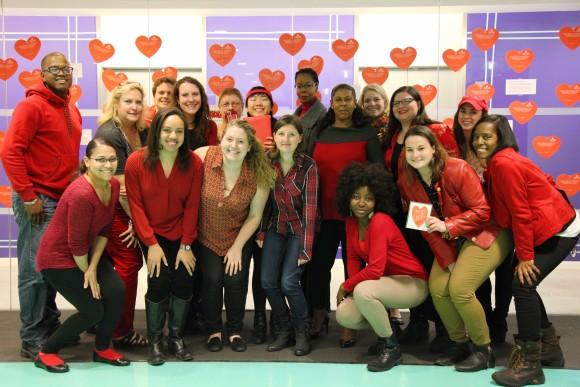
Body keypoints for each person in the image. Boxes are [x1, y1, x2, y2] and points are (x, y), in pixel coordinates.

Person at [471, 115, 580, 387]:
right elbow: (542, 180)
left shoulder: (503, 163)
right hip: (551, 222)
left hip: (558, 228)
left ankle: (531, 363)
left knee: (522, 283)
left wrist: (526, 256)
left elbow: (521, 213)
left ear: (502, 138)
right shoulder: (503, 159)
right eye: (477, 137)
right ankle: (550, 349)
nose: (480, 141)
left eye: (487, 136)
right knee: (523, 282)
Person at [398, 126, 513, 372]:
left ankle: (484, 349)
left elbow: (483, 212)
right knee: (438, 288)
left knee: (460, 289)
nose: (415, 154)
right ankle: (459, 343)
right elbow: (424, 227)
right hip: (452, 239)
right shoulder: (407, 181)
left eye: (421, 148)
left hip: (487, 233)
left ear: (433, 148)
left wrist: (448, 225)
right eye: (410, 150)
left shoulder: (458, 168)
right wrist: (447, 259)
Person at [1, 52, 82, 359]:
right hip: (38, 200)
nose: (62, 73)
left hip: (60, 200)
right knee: (34, 271)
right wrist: (28, 195)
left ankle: (49, 325)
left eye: (66, 68)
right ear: (42, 74)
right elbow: (10, 152)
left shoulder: (70, 109)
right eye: (55, 69)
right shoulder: (31, 106)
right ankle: (32, 337)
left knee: (51, 269)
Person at [34, 137, 129, 373]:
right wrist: (88, 272)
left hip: (85, 254)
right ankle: (46, 351)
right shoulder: (81, 194)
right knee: (93, 310)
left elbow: (105, 230)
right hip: (58, 258)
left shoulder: (113, 185)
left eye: (112, 159)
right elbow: (75, 245)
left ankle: (102, 348)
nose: (108, 165)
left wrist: (93, 267)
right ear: (87, 162)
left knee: (116, 290)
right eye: (100, 160)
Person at [125, 108, 204, 365]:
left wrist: (186, 245)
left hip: (182, 235)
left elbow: (193, 205)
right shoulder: (136, 161)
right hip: (153, 235)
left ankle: (176, 337)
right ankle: (156, 340)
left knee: (184, 281)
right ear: (157, 132)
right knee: (158, 282)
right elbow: (136, 206)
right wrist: (150, 244)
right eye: (167, 130)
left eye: (179, 131)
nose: (173, 136)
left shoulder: (193, 162)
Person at [306, 83, 383, 347]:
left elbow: (378, 172)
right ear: (331, 102)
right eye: (337, 99)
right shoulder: (321, 131)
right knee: (319, 267)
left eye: (347, 99)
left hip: (356, 215)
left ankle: (350, 321)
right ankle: (319, 313)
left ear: (354, 102)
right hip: (324, 214)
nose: (342, 104)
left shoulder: (366, 132)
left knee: (355, 268)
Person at [383, 85, 459, 352]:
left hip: (432, 210)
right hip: (403, 212)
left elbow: (453, 167)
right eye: (396, 102)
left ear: (419, 103)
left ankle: (444, 328)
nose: (401, 106)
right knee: (414, 267)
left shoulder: (436, 130)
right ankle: (418, 324)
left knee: (432, 264)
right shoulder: (392, 136)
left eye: (407, 100)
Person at [334, 162, 428, 372]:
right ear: (347, 198)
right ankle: (386, 332)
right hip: (386, 284)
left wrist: (346, 286)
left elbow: (375, 268)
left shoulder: (380, 221)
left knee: (363, 291)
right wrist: (350, 290)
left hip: (412, 283)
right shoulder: (350, 222)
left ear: (377, 201)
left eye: (368, 198)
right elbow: (352, 260)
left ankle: (391, 347)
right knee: (345, 314)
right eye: (356, 196)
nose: (361, 203)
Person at [194, 119, 276, 353]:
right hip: (206, 234)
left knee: (235, 280)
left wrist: (237, 247)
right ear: (221, 140)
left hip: (238, 236)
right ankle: (213, 330)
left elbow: (255, 215)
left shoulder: (260, 174)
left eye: (241, 142)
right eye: (229, 139)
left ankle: (234, 329)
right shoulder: (203, 156)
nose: (234, 145)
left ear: (250, 147)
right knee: (212, 280)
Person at [452, 96, 514, 344]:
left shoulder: (495, 150)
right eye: (462, 111)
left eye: (473, 112)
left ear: (483, 117)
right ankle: (485, 318)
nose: (467, 116)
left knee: (504, 276)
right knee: (478, 280)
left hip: (501, 223)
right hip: (471, 224)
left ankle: (499, 322)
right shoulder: (456, 148)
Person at [258, 115, 318, 356]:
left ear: (300, 138)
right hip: (275, 228)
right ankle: (284, 328)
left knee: (289, 282)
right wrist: (262, 230)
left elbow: (311, 211)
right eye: (281, 133)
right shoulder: (268, 163)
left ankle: (302, 329)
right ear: (274, 136)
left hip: (299, 231)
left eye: (292, 134)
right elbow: (263, 203)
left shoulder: (308, 166)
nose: (286, 138)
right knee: (267, 282)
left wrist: (306, 247)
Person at [95, 81, 147, 349]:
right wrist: (137, 223)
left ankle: (101, 320)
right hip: (113, 207)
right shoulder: (111, 134)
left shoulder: (141, 131)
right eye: (128, 101)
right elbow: (122, 187)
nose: (134, 106)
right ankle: (120, 331)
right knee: (128, 262)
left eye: (138, 101)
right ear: (116, 103)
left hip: (130, 207)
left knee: (119, 265)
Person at [245, 85, 277, 343]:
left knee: (269, 268)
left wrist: (275, 150)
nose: (258, 102)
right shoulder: (239, 132)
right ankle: (257, 317)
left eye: (263, 98)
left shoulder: (280, 130)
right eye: (253, 98)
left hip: (274, 210)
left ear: (271, 105)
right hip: (246, 209)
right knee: (251, 267)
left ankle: (275, 316)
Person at [175, 76, 218, 150]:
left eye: (195, 94)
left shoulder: (210, 126)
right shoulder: (170, 125)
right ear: (178, 100)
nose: (191, 99)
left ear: (201, 97)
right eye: (185, 95)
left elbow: (211, 157)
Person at [293, 68, 326, 146]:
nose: (303, 90)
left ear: (316, 86)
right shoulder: (296, 114)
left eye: (308, 85)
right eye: (299, 86)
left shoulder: (323, 116)